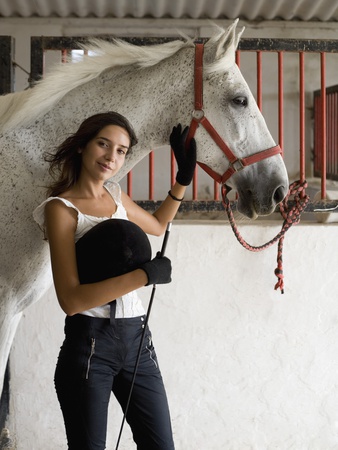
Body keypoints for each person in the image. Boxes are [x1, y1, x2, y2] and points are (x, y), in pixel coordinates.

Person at [33, 111, 196, 450]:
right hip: (91, 346)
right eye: (103, 144)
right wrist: (143, 276)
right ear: (83, 146)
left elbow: (158, 225)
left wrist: (183, 178)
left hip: (138, 340)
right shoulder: (62, 209)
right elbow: (72, 300)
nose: (111, 157)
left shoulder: (116, 197)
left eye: (121, 150)